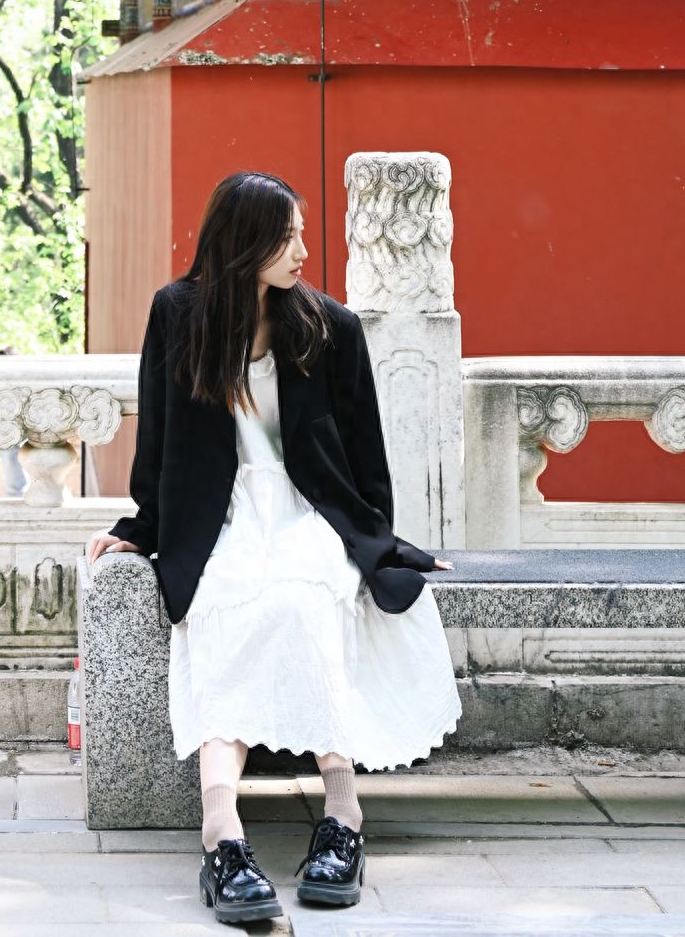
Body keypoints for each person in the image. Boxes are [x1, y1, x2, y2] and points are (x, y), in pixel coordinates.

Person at [85, 170, 461, 923]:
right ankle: (222, 831)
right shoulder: (178, 315)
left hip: (307, 514)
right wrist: (140, 530)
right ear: (243, 241)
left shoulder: (328, 326)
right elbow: (157, 441)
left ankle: (343, 815)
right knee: (218, 606)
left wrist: (375, 543)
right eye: (286, 235)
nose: (302, 250)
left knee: (308, 597)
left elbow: (364, 456)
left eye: (300, 232)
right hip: (218, 520)